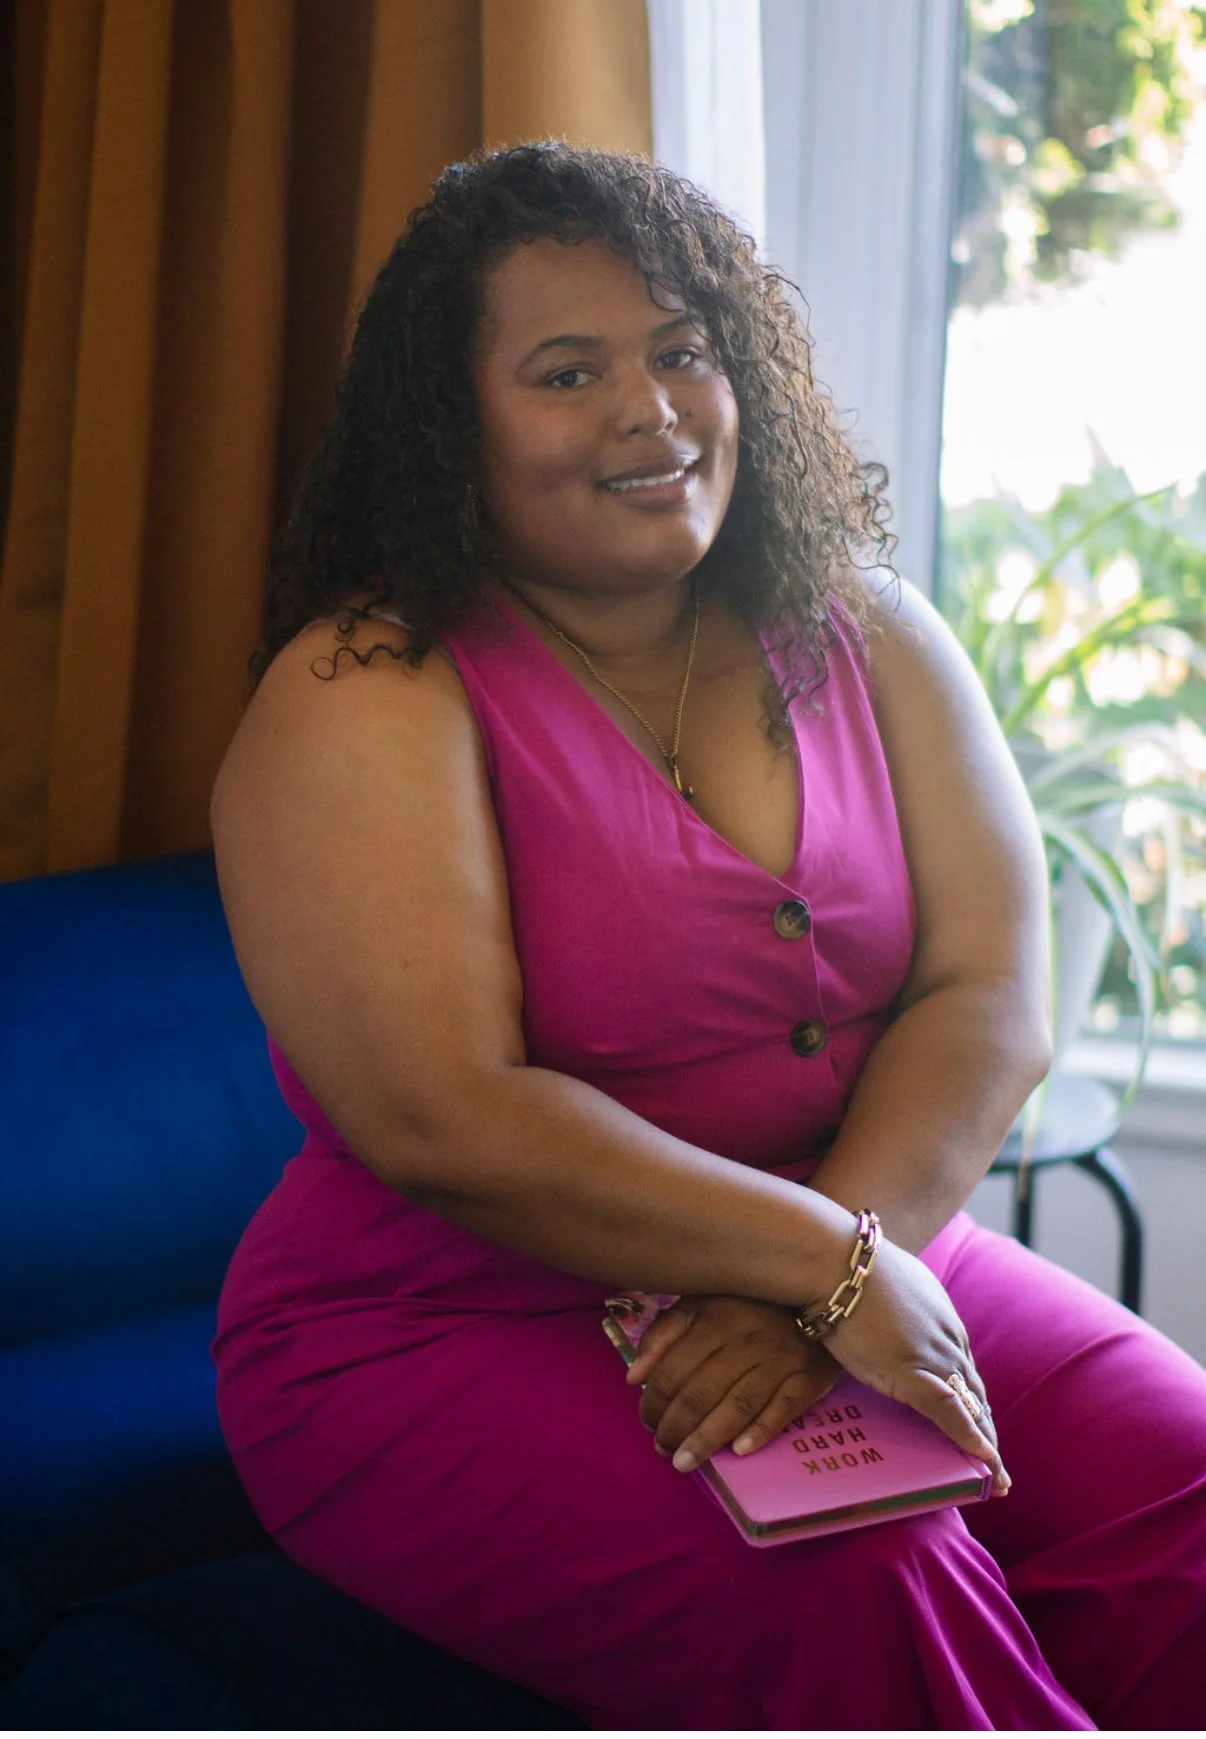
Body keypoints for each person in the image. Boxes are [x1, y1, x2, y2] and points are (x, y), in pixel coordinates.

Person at [210, 142, 1206, 1730]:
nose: (651, 408)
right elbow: (442, 1114)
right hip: (447, 1322)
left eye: (682, 349)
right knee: (863, 1568)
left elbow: (991, 986)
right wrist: (817, 1263)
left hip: (848, 1239)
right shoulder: (365, 691)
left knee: (1185, 1473)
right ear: (450, 426)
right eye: (566, 371)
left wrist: (833, 1262)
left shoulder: (860, 625)